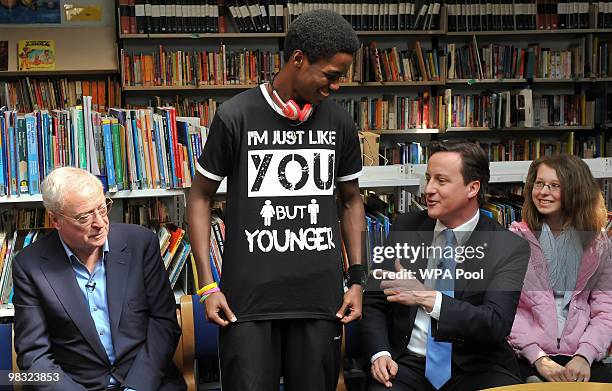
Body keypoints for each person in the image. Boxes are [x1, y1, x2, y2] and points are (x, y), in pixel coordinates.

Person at [186, 9, 366, 391]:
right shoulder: (235, 116)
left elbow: (350, 200)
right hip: (245, 306)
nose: (336, 87)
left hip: (321, 303)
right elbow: (199, 197)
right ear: (297, 59)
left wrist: (357, 280)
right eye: (331, 76)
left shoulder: (340, 123)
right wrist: (207, 285)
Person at [362, 140, 531, 391]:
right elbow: (374, 300)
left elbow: (495, 322)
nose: (428, 189)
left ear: (472, 188)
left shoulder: (507, 246)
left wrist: (428, 298)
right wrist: (380, 354)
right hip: (407, 364)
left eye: (441, 181)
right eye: (428, 178)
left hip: (476, 366)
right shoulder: (406, 227)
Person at [12, 167, 186, 391]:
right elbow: (33, 358)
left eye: (103, 209)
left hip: (146, 381)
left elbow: (164, 323)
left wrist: (137, 387)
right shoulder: (30, 266)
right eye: (84, 217)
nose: (100, 223)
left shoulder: (140, 243)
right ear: (55, 220)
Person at [508, 154, 612, 383]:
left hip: (582, 356)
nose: (543, 192)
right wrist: (537, 357)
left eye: (555, 186)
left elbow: (606, 310)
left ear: (576, 191)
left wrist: (585, 355)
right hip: (525, 355)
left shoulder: (599, 243)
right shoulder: (514, 239)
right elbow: (508, 309)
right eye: (539, 183)